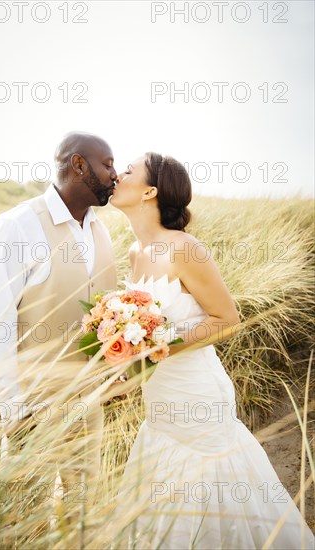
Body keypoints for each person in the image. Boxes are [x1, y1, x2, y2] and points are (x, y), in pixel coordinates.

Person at [104, 153, 315, 549]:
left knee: (212, 492)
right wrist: (130, 369)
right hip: (161, 401)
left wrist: (160, 347)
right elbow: (144, 334)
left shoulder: (186, 248)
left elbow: (227, 318)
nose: (117, 175)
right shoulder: (135, 252)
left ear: (150, 191)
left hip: (197, 396)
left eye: (128, 171)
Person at [0, 131, 118, 525]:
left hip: (89, 402)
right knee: (24, 517)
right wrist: (12, 408)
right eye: (107, 165)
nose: (115, 174)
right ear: (78, 165)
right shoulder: (17, 226)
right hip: (31, 406)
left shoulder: (100, 229)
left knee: (82, 512)